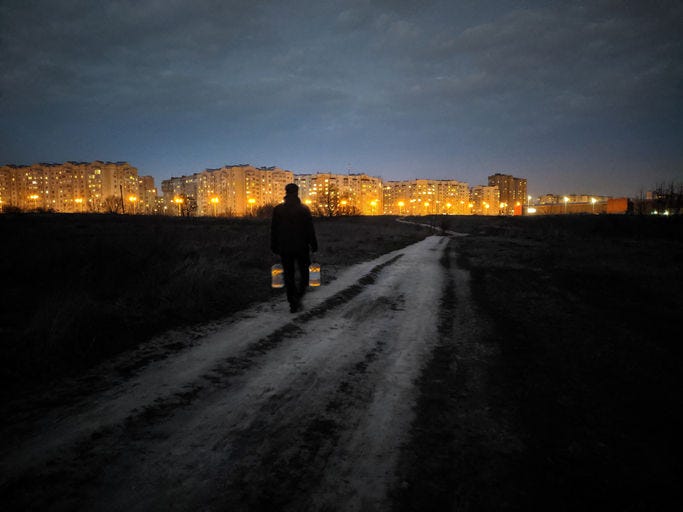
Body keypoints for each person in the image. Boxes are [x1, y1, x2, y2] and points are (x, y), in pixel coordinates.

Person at [271, 183, 318, 313]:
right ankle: (298, 297)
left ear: (285, 192)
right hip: (301, 247)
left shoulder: (278, 209)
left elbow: (274, 230)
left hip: (284, 248)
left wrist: (274, 247)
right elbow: (310, 230)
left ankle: (292, 302)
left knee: (288, 275)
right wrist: (314, 246)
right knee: (305, 274)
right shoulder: (304, 209)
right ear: (297, 193)